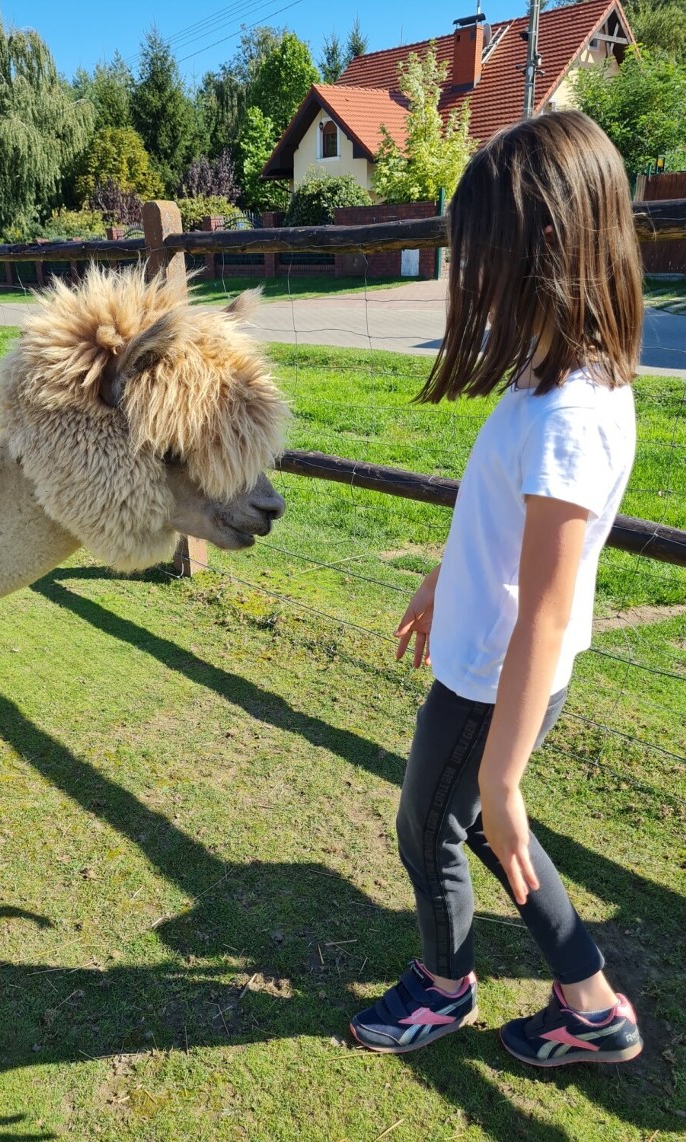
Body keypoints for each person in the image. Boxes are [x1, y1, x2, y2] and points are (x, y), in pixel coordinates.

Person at [350, 111, 644, 1068]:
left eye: (482, 257)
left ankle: (444, 989)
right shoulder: (553, 379)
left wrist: (506, 773)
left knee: (432, 824)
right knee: (471, 821)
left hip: (495, 673)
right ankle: (591, 1000)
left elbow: (550, 609)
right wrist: (447, 573)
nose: (468, 281)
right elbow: (505, 526)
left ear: (546, 249)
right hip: (489, 656)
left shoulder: (570, 416)